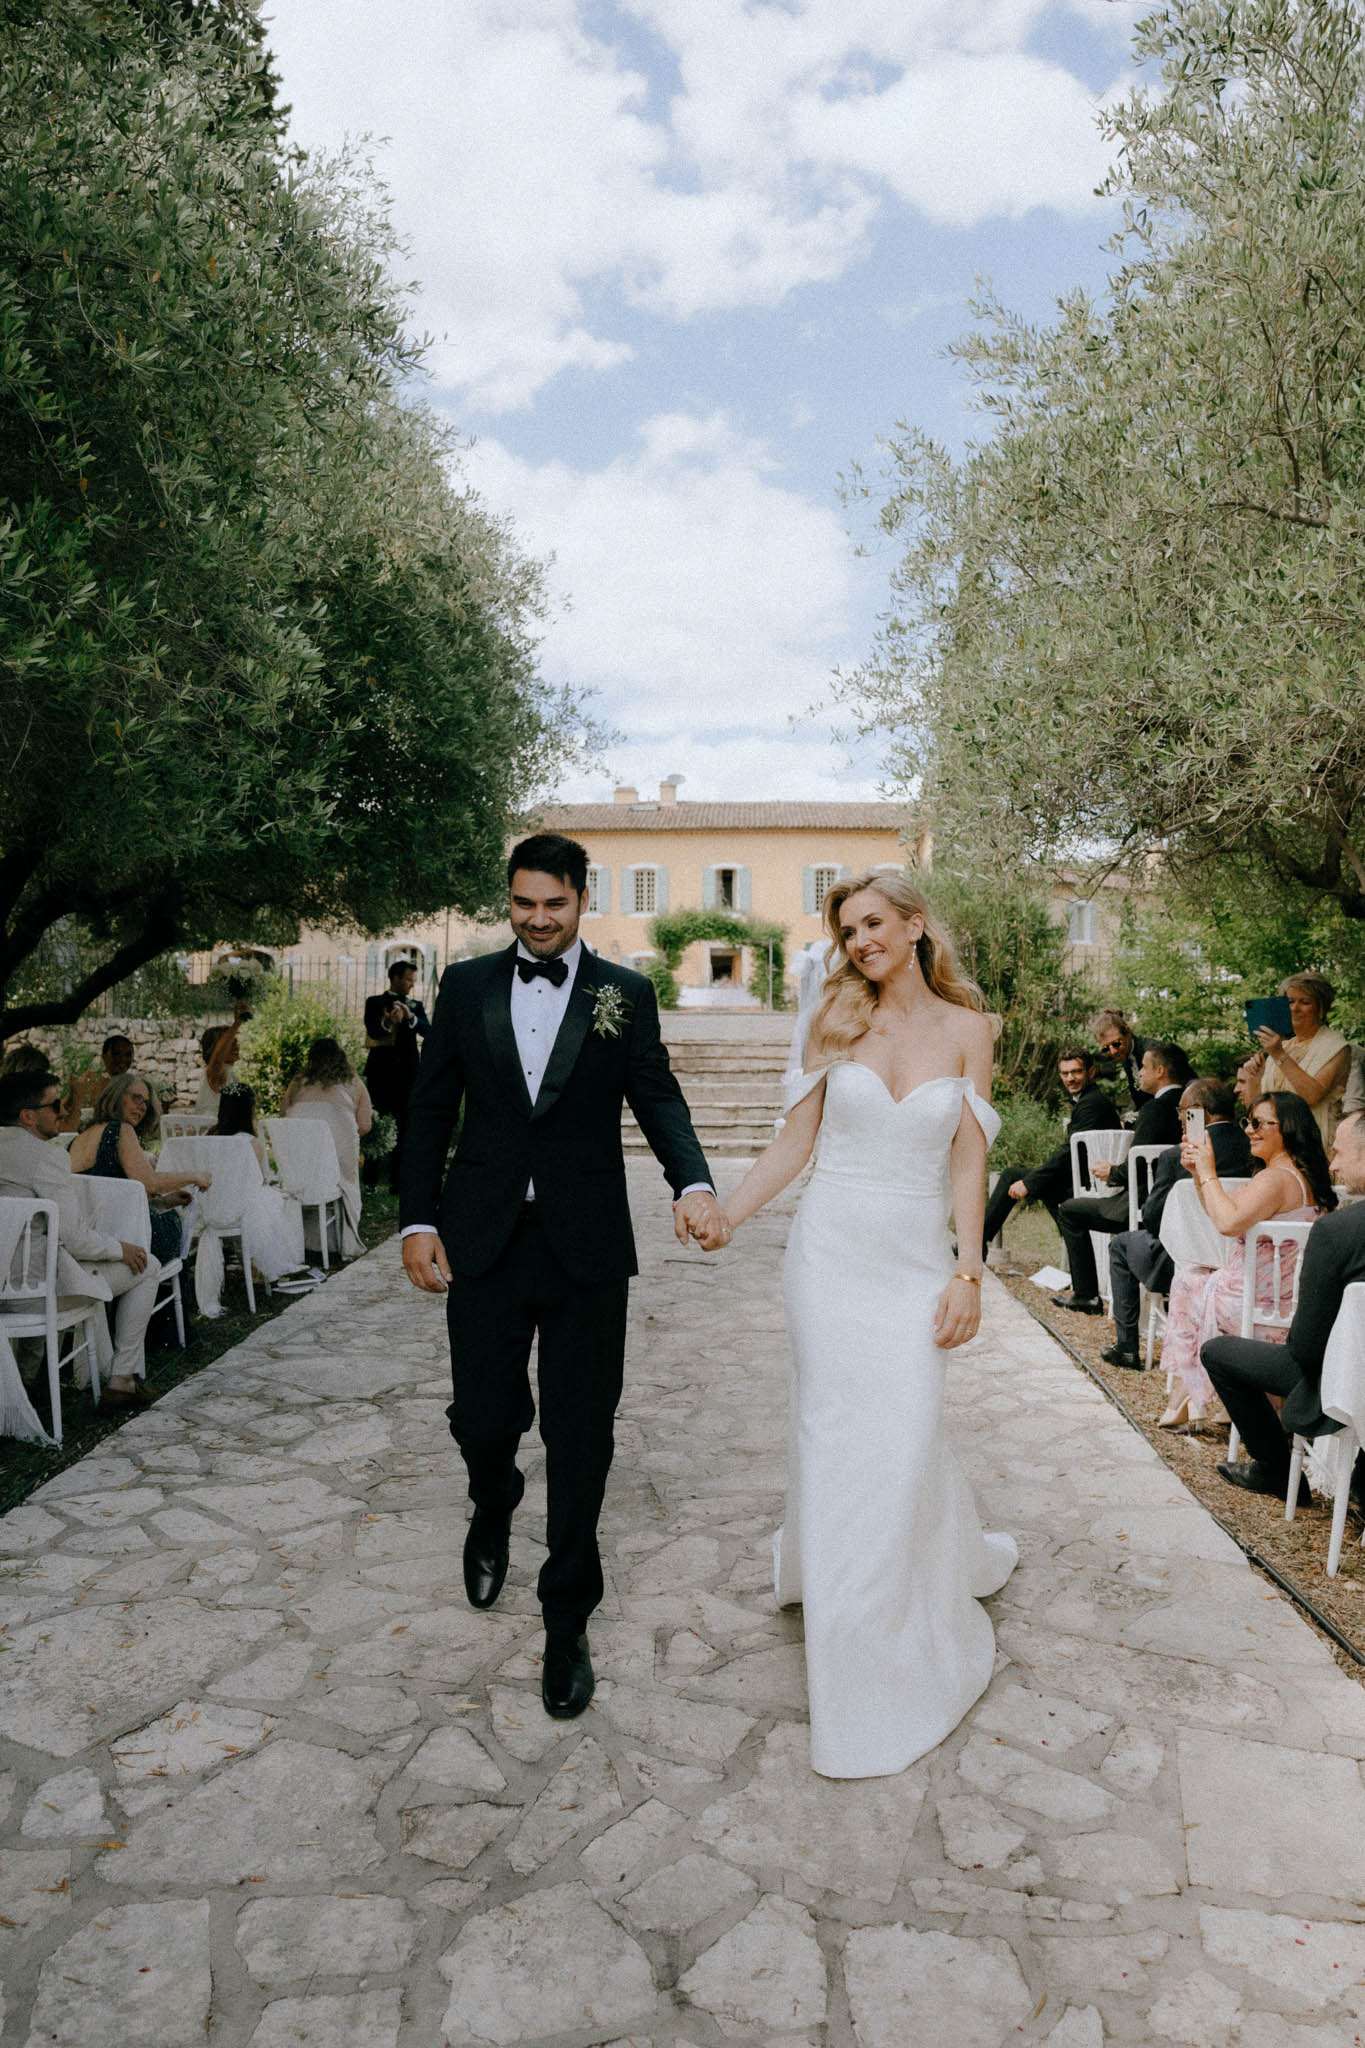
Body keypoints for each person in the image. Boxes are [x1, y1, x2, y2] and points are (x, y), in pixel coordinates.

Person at [400, 833, 724, 1723]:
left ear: (583, 900)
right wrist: (417, 1218)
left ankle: (564, 1614)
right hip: (483, 1239)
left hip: (586, 1246)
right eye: (522, 905)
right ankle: (492, 1493)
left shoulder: (624, 994)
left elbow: (655, 1094)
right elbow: (430, 1108)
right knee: (481, 1415)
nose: (537, 921)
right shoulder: (464, 987)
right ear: (507, 903)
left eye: (554, 904)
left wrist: (692, 1180)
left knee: (582, 1434)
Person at [714, 869, 1015, 1779]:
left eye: (875, 924)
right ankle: (852, 1645)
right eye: (848, 931)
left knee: (906, 1434)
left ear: (915, 925)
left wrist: (969, 1270)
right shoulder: (831, 1022)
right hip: (829, 1260)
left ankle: (901, 1602)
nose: (861, 943)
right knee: (841, 1439)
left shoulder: (972, 1032)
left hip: (912, 1265)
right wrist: (728, 1212)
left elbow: (969, 1160)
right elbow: (794, 1145)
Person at [1202, 1110, 1365, 1501]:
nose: (1333, 1164)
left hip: (1345, 1381)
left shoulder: (1338, 1232)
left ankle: (1274, 1469)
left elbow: (1306, 1351)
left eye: (1340, 1153)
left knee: (1218, 1352)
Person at [1157, 1091, 1334, 1429]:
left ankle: (1191, 1394)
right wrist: (1199, 1174)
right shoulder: (1300, 1175)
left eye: (1258, 1123)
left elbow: (1226, 1224)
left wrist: (1208, 1170)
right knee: (1197, 1279)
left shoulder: (1276, 1179)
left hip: (1254, 1305)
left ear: (1288, 1129)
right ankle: (1198, 1396)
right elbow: (1220, 1210)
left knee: (1187, 1281)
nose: (1249, 1131)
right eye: (1247, 1122)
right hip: (1284, 1303)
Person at [0, 1069, 163, 1410]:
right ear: (28, 1116)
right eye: (55, 1104)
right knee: (149, 1266)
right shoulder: (47, 1157)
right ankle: (123, 1381)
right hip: (34, 1293)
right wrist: (121, 1248)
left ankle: (29, 1383)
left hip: (5, 1286)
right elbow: (75, 1239)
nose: (62, 1111)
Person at [1102, 1077, 1252, 1369]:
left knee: (1121, 1244)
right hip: (1240, 1262)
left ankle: (1127, 1347)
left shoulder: (1176, 1157)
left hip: (1184, 1263)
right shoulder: (1254, 1150)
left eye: (1183, 1112)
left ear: (1199, 1112)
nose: (1180, 1119)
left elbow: (1155, 1218)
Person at [1052, 1040, 1189, 1313]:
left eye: (1145, 1068)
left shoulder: (1154, 1109)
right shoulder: (1190, 1104)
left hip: (1142, 1202)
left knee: (1069, 1210)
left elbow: (1137, 1165)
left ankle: (1086, 1295)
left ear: (1160, 1071)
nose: (1139, 1074)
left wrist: (1112, 1172)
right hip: (1178, 1201)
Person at [981, 1048, 1120, 1257]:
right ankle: (979, 1242)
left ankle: (977, 1243)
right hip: (1080, 1178)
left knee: (1016, 1177)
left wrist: (1030, 1182)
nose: (1070, 1079)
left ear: (1091, 1072)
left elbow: (1068, 1153)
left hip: (1090, 1183)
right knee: (1015, 1175)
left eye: (1076, 1072)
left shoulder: (1092, 1104)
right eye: (1065, 1073)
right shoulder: (1088, 1100)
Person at [68, 1071, 208, 1270]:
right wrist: (195, 1176)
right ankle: (170, 1292)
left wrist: (164, 1201)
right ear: (116, 1096)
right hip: (125, 1239)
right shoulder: (120, 1129)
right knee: (174, 1224)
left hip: (94, 1236)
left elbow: (108, 1194)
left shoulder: (78, 1138)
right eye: (136, 1098)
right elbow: (149, 1182)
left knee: (166, 1214)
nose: (142, 1107)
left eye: (145, 1102)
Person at [210, 1083, 308, 1286]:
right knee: (279, 1200)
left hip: (213, 1204)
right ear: (249, 1110)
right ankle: (271, 1262)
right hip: (239, 1208)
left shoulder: (210, 1136)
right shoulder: (250, 1142)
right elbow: (257, 1180)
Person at [282, 1039, 372, 1255]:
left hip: (298, 1169)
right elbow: (365, 1126)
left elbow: (284, 1117)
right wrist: (339, 1135)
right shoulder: (354, 1083)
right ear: (341, 1057)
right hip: (334, 1170)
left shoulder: (297, 1083)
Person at [1249, 972, 1351, 1148]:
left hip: (1313, 1145)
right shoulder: (1283, 1045)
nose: (1294, 1008)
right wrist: (1255, 1077)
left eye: (1305, 1002)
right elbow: (1256, 1106)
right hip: (1276, 1146)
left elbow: (1311, 1096)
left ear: (1321, 1009)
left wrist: (1278, 1054)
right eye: (1290, 1002)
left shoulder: (1336, 1046)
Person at [364, 960, 430, 1191]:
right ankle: (370, 1180)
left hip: (408, 1075)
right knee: (374, 1121)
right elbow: (373, 1031)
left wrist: (411, 1018)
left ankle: (398, 1181)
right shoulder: (374, 1003)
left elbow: (428, 1032)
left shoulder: (416, 1005)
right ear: (395, 978)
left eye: (413, 980)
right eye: (409, 979)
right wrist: (388, 1021)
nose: (412, 984)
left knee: (405, 1125)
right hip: (380, 1074)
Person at [56, 1034, 135, 1131]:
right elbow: (60, 1110)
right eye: (116, 1053)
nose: (122, 1059)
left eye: (128, 1055)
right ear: (104, 1056)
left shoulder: (135, 1088)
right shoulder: (90, 1080)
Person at [194, 999, 252, 1113]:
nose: (236, 1046)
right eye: (230, 1043)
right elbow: (217, 1059)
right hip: (213, 1129)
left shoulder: (228, 1071)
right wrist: (236, 1024)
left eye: (235, 1042)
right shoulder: (216, 1071)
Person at [1092, 1009, 1149, 1115]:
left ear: (1127, 1033)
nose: (1113, 1052)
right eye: (1106, 1048)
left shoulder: (1150, 1052)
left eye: (1116, 1044)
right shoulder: (1126, 1054)